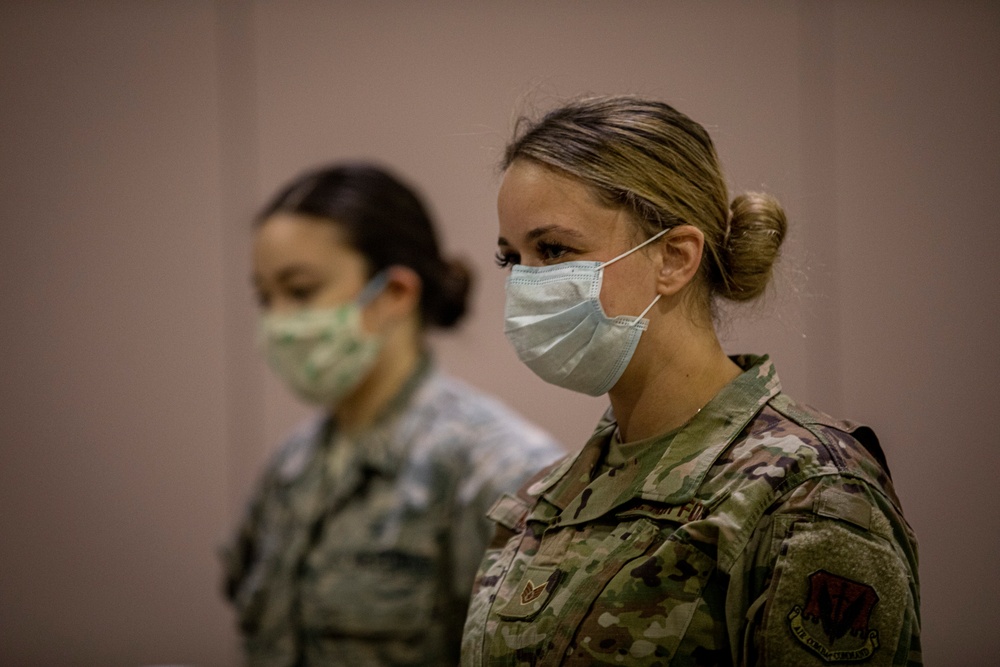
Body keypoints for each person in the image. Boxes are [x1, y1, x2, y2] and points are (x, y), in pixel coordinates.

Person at [461, 96, 921, 666]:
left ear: (675, 258)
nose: (526, 284)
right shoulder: (543, 499)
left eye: (554, 249)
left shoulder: (806, 491)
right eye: (513, 259)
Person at [221, 162, 564, 667]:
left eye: (300, 291)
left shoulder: (497, 471)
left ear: (395, 294)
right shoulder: (290, 467)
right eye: (264, 297)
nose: (278, 322)